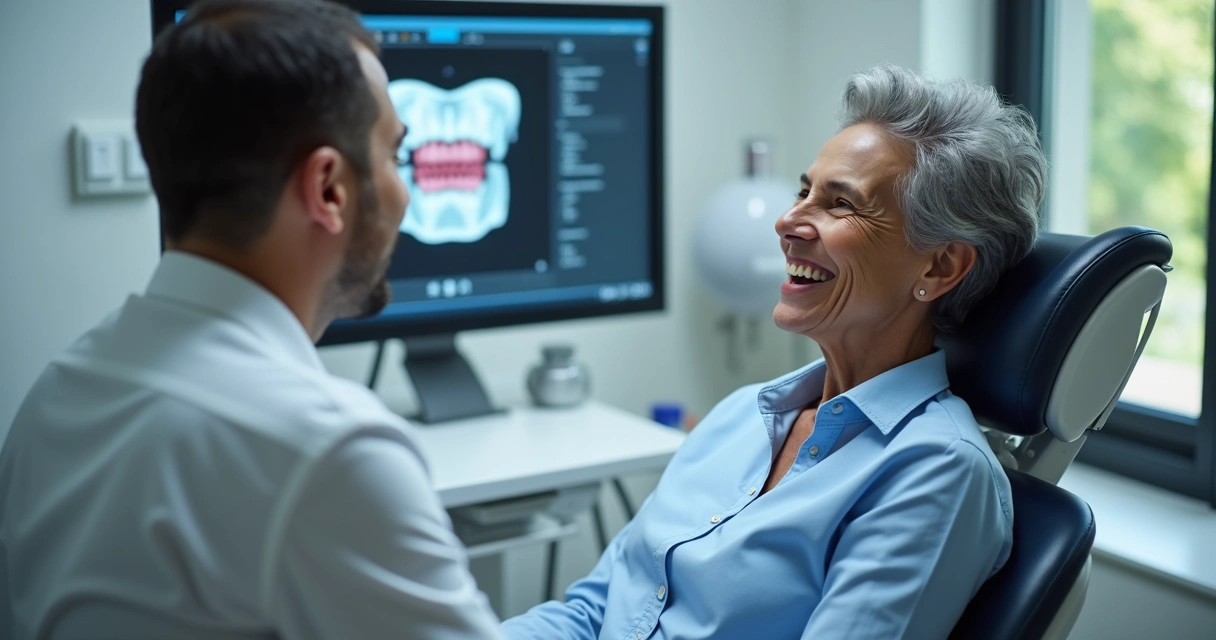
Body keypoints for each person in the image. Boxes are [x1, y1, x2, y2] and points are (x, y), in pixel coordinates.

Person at [0, 1, 503, 638]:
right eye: (395, 158)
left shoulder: (55, 396)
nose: (404, 193)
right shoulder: (328, 452)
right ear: (329, 189)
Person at [503, 65, 1045, 640]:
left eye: (841, 204)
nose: (787, 221)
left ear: (939, 267)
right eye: (803, 190)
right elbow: (595, 608)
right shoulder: (742, 413)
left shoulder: (936, 472)